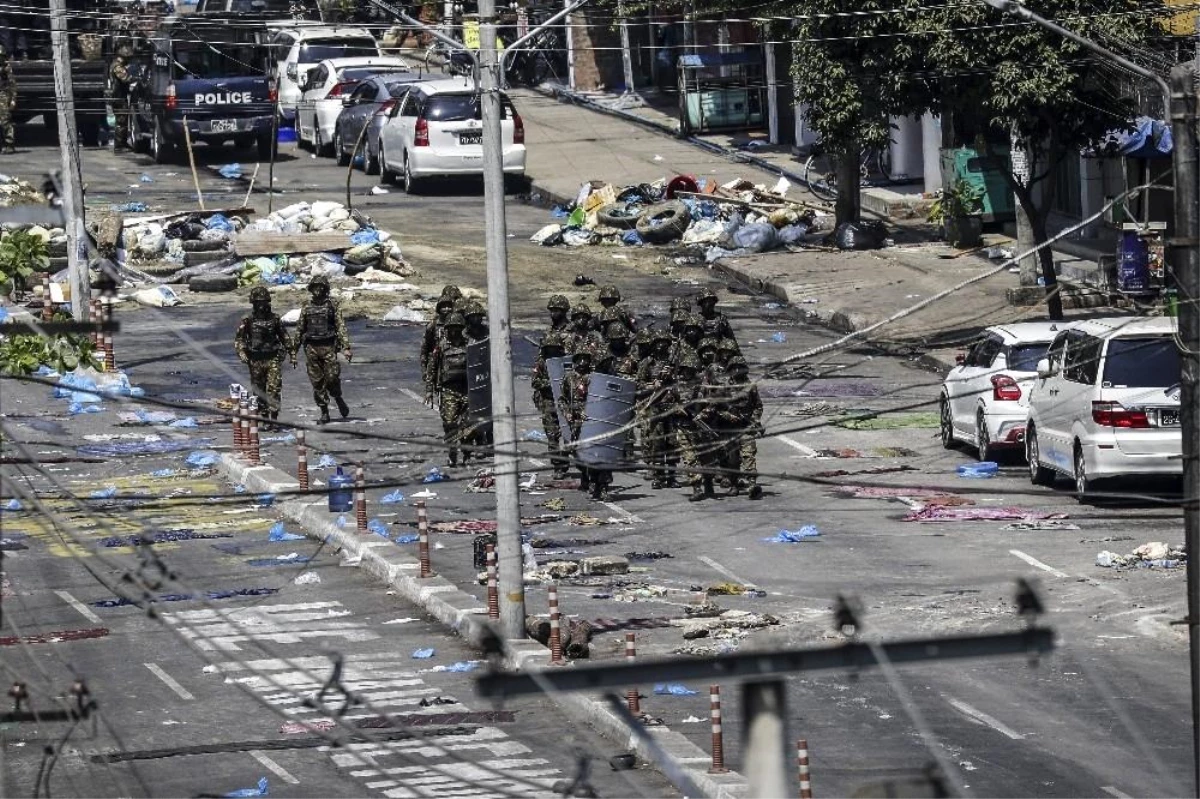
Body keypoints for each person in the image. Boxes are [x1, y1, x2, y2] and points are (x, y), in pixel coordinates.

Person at [292, 274, 351, 424]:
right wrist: (294, 351)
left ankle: (338, 397)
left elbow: (340, 326)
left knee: (332, 378)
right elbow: (300, 328)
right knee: (317, 382)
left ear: (325, 289)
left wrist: (346, 347)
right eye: (315, 287)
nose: (318, 290)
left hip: (329, 346)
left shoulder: (332, 305)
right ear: (311, 289)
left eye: (320, 287)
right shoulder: (306, 306)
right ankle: (324, 411)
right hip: (312, 348)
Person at [560, 343, 612, 500]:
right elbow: (562, 399)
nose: (583, 362)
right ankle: (587, 477)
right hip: (577, 422)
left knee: (600, 454)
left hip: (594, 419)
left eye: (586, 359)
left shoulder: (596, 378)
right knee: (580, 455)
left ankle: (602, 486)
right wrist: (567, 413)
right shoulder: (569, 378)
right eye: (580, 359)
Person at [234, 286, 289, 428]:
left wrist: (290, 352)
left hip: (272, 358)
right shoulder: (248, 320)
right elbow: (239, 339)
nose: (261, 305)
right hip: (255, 359)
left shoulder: (275, 319)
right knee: (259, 390)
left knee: (274, 388)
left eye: (264, 302)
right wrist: (242, 353)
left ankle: (274, 418)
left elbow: (284, 336)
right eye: (258, 302)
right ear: (253, 303)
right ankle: (265, 418)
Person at [715, 356, 763, 499]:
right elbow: (717, 407)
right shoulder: (724, 387)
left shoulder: (750, 386)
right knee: (732, 459)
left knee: (748, 455)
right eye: (734, 367)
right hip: (729, 428)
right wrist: (729, 416)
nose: (737, 370)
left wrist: (754, 420)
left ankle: (752, 485)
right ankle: (734, 484)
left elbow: (758, 406)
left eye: (739, 367)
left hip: (746, 427)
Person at [672, 352, 717, 501]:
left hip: (700, 427)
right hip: (683, 427)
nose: (687, 372)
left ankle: (709, 482)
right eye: (685, 369)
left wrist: (701, 415)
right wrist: (675, 408)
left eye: (690, 369)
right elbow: (663, 402)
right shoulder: (676, 386)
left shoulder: (703, 386)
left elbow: (713, 404)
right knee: (689, 458)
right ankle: (696, 487)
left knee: (706, 457)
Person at [637, 328, 677, 489]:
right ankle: (658, 476)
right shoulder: (647, 362)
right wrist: (652, 385)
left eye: (664, 342)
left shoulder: (674, 362)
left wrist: (672, 377)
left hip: (671, 406)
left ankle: (672, 476)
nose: (661, 345)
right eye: (658, 342)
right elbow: (638, 385)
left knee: (673, 442)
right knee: (657, 442)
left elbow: (687, 379)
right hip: (654, 406)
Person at [429, 312, 470, 466]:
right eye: (451, 328)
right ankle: (452, 450)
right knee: (450, 422)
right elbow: (432, 368)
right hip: (448, 390)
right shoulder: (441, 346)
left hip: (467, 389)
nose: (454, 331)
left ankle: (467, 452)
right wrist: (429, 390)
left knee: (469, 424)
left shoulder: (468, 344)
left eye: (457, 328)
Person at [532, 330, 569, 478]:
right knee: (552, 435)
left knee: (569, 434)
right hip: (548, 400)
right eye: (550, 348)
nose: (552, 351)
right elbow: (535, 381)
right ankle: (557, 465)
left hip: (564, 401)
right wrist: (551, 383)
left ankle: (566, 459)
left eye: (555, 348)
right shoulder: (541, 362)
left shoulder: (566, 362)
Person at [421, 286, 461, 400]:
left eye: (449, 306)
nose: (447, 309)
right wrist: (425, 370)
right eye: (444, 307)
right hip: (440, 365)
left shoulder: (459, 321)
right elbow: (425, 349)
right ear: (439, 308)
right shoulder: (433, 325)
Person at [109, 45, 136, 152]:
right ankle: (119, 146)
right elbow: (125, 78)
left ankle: (123, 143)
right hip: (118, 97)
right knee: (121, 121)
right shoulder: (117, 66)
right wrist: (135, 78)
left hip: (120, 96)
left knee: (123, 120)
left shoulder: (118, 65)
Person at [0, 45, 15, 154]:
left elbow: (12, 84)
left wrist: (13, 99)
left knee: (5, 121)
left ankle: (9, 144)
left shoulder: (6, 67)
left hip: (3, 95)